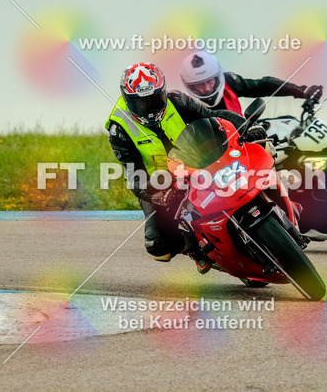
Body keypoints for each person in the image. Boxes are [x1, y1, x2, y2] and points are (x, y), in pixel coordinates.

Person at [105, 62, 265, 264]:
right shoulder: (119, 129)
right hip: (160, 182)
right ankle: (195, 249)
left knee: (253, 168)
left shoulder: (177, 100)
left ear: (163, 92)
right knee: (157, 245)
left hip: (197, 161)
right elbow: (133, 174)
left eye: (154, 100)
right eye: (141, 103)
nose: (149, 109)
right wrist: (154, 194)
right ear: (128, 100)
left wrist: (246, 126)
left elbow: (213, 116)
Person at [179, 51, 324, 114]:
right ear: (190, 86)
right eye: (200, 84)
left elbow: (262, 85)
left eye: (210, 81)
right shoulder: (186, 107)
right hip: (214, 160)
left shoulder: (230, 83)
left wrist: (301, 91)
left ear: (217, 77)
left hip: (245, 145)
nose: (207, 88)